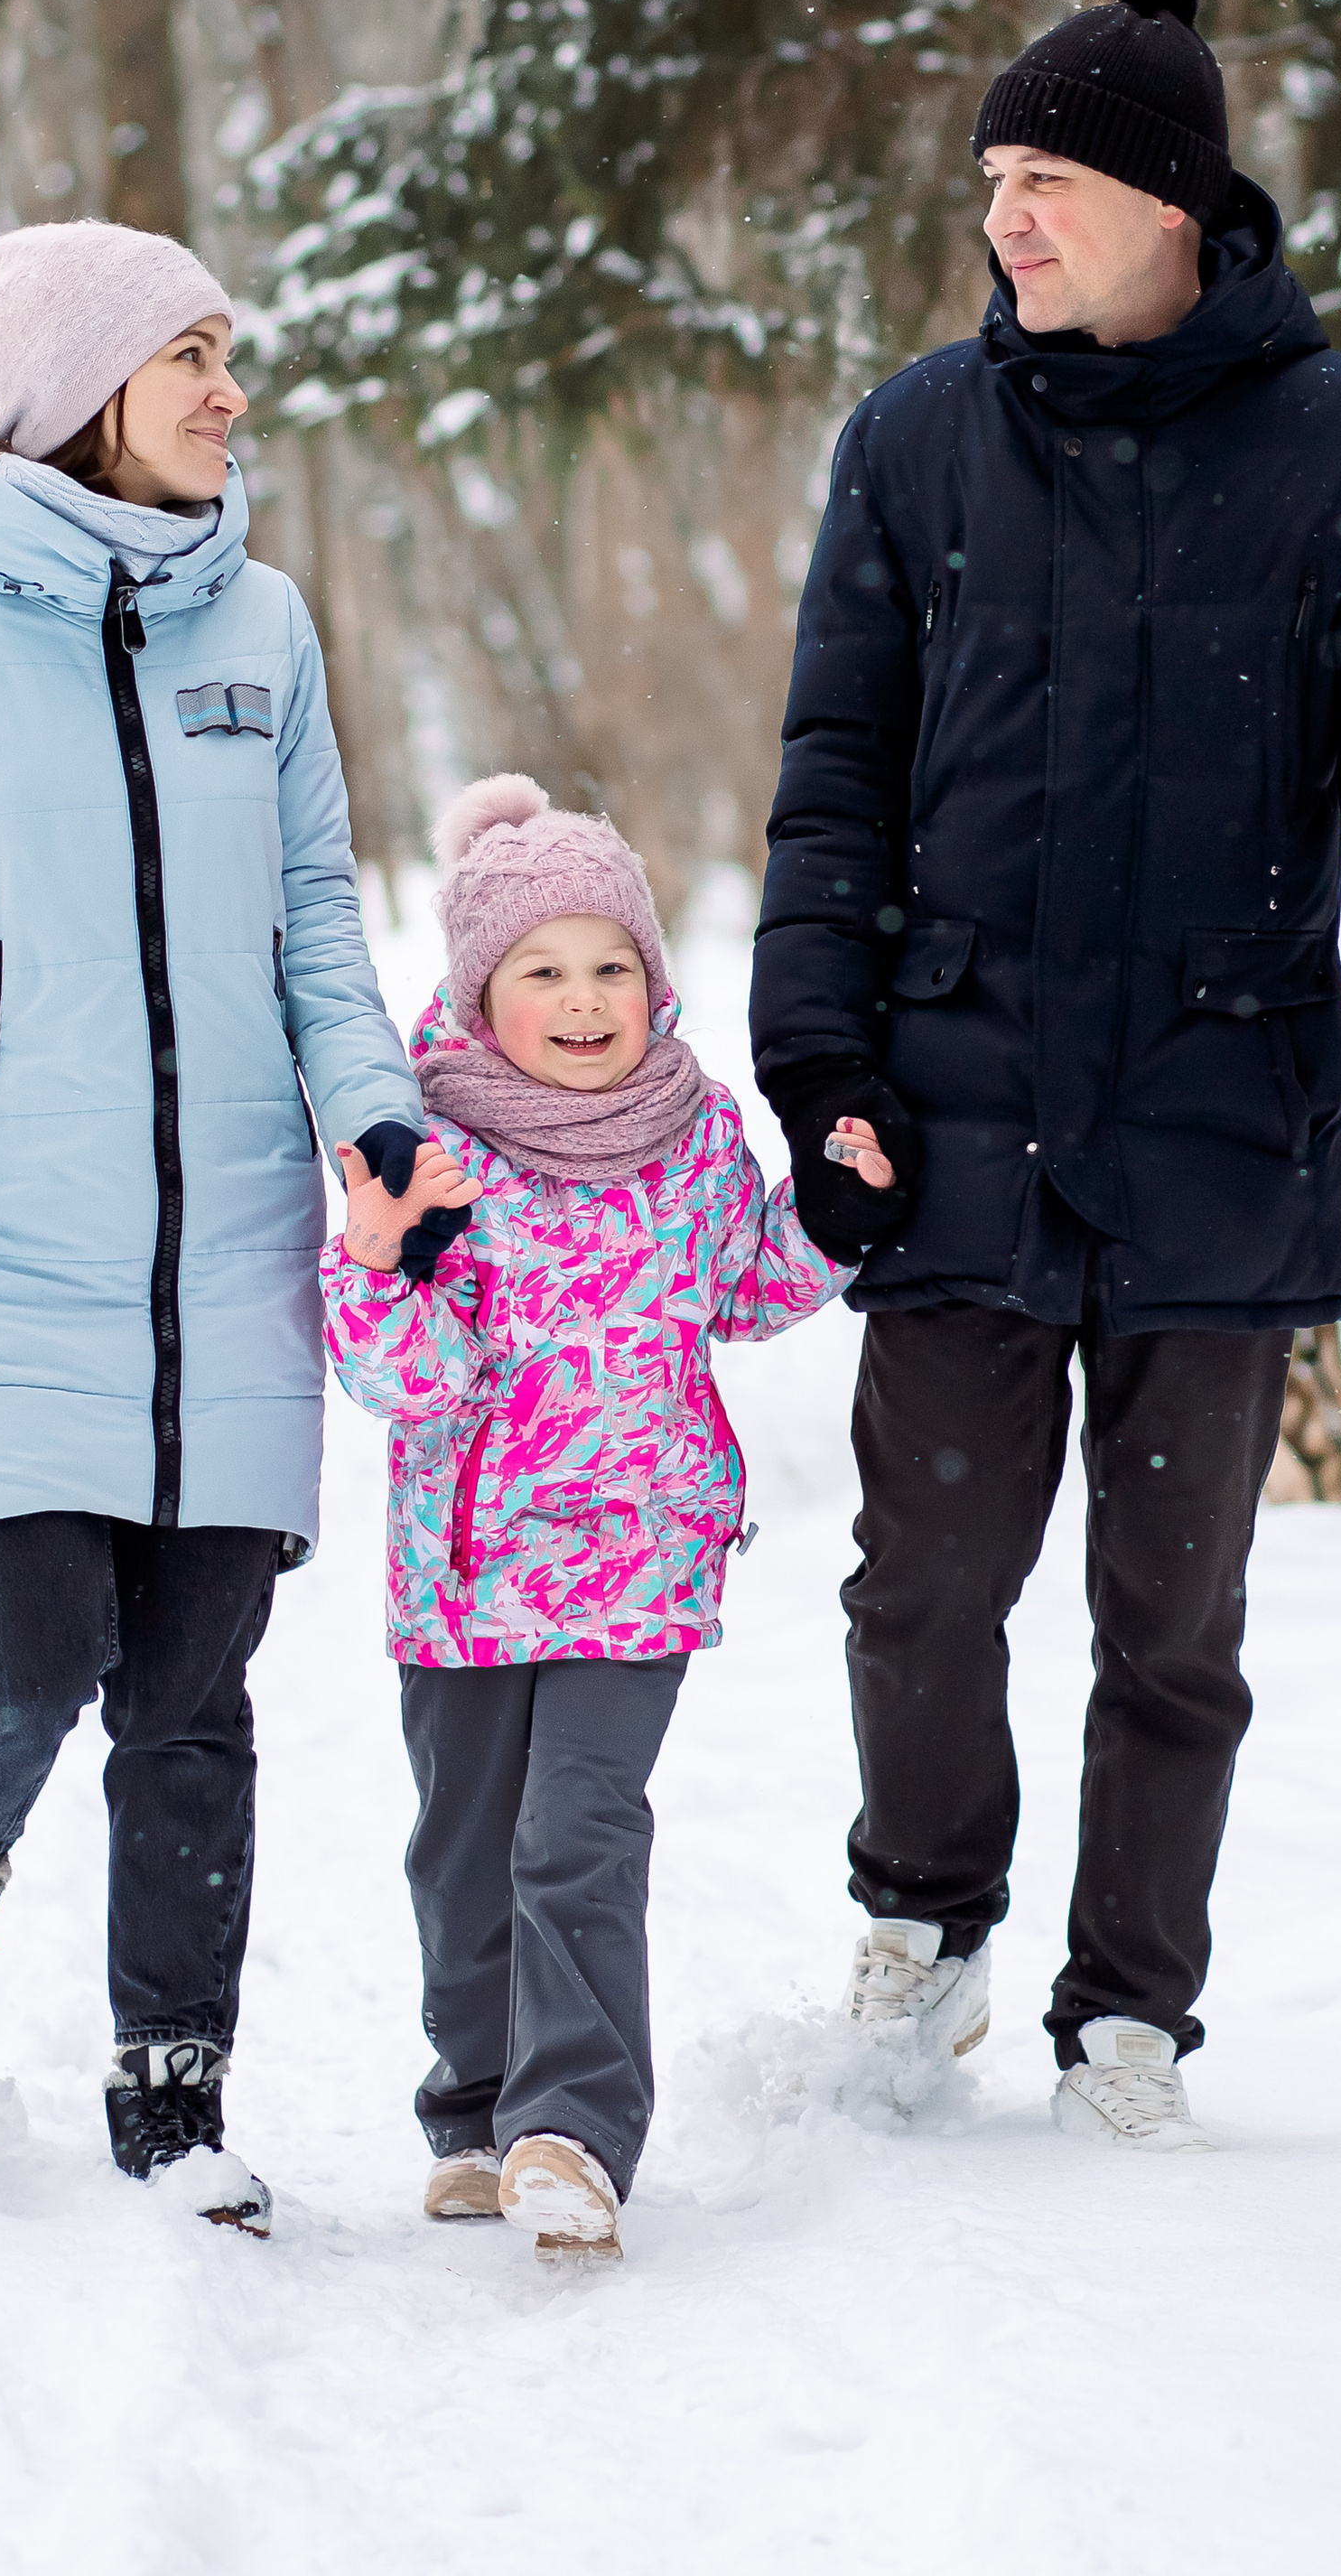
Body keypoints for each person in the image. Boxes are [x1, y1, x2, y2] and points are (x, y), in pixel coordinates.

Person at [750, 0, 1341, 2145]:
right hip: (955, 1113)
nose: (1003, 217)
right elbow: (831, 782)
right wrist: (819, 1070)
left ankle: (1130, 2017)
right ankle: (923, 1924)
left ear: (1173, 202)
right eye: (990, 176)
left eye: (1046, 178)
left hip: (1221, 1113)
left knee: (1169, 1622)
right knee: (920, 1587)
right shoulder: (914, 440)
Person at [0, 220, 430, 2235]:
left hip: (227, 1235)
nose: (231, 392)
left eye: (231, 351)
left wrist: (373, 1114)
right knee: (34, 1629)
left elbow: (314, 908)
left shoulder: (267, 630)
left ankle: (175, 2096)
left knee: (194, 1682)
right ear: (77, 399)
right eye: (188, 357)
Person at [321, 775, 888, 2262]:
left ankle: (572, 2129)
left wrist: (828, 1215)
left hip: (640, 1550)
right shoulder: (434, 1149)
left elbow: (744, 1286)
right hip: (468, 1569)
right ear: (481, 991)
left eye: (613, 966)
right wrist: (379, 1255)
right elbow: (406, 1378)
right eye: (544, 972)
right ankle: (477, 2108)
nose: (586, 1002)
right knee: (465, 1850)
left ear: (653, 977)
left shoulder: (695, 1137)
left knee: (577, 1832)